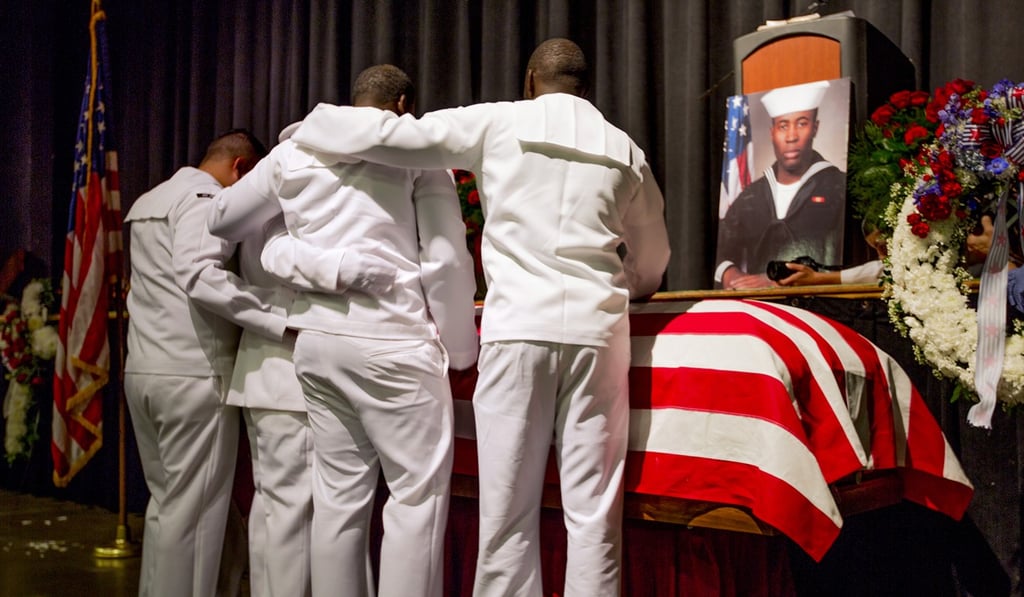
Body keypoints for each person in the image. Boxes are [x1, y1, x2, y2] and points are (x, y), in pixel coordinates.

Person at [287, 39, 671, 596]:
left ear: (529, 79)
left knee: (508, 512)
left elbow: (390, 136)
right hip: (598, 333)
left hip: (517, 331)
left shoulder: (497, 123)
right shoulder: (626, 149)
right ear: (585, 88)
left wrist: (314, 124)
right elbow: (653, 257)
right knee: (593, 516)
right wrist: (630, 288)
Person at [206, 64, 479, 597]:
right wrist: (461, 349)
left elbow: (222, 218)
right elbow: (446, 260)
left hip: (318, 345)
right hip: (394, 342)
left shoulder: (293, 151)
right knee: (415, 501)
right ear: (402, 105)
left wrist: (288, 245)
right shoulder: (417, 155)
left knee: (337, 503)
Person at [123, 129, 291, 597]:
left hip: (146, 370)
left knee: (167, 512)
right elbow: (201, 274)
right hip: (193, 374)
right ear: (241, 168)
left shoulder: (152, 198)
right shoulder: (203, 198)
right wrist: (279, 317)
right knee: (192, 523)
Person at [715, 80, 846, 290]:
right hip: (762, 310)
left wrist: (779, 281)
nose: (792, 136)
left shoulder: (840, 187)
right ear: (772, 132)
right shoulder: (751, 196)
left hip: (823, 306)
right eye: (783, 126)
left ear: (815, 128)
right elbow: (721, 249)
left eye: (802, 123)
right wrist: (730, 274)